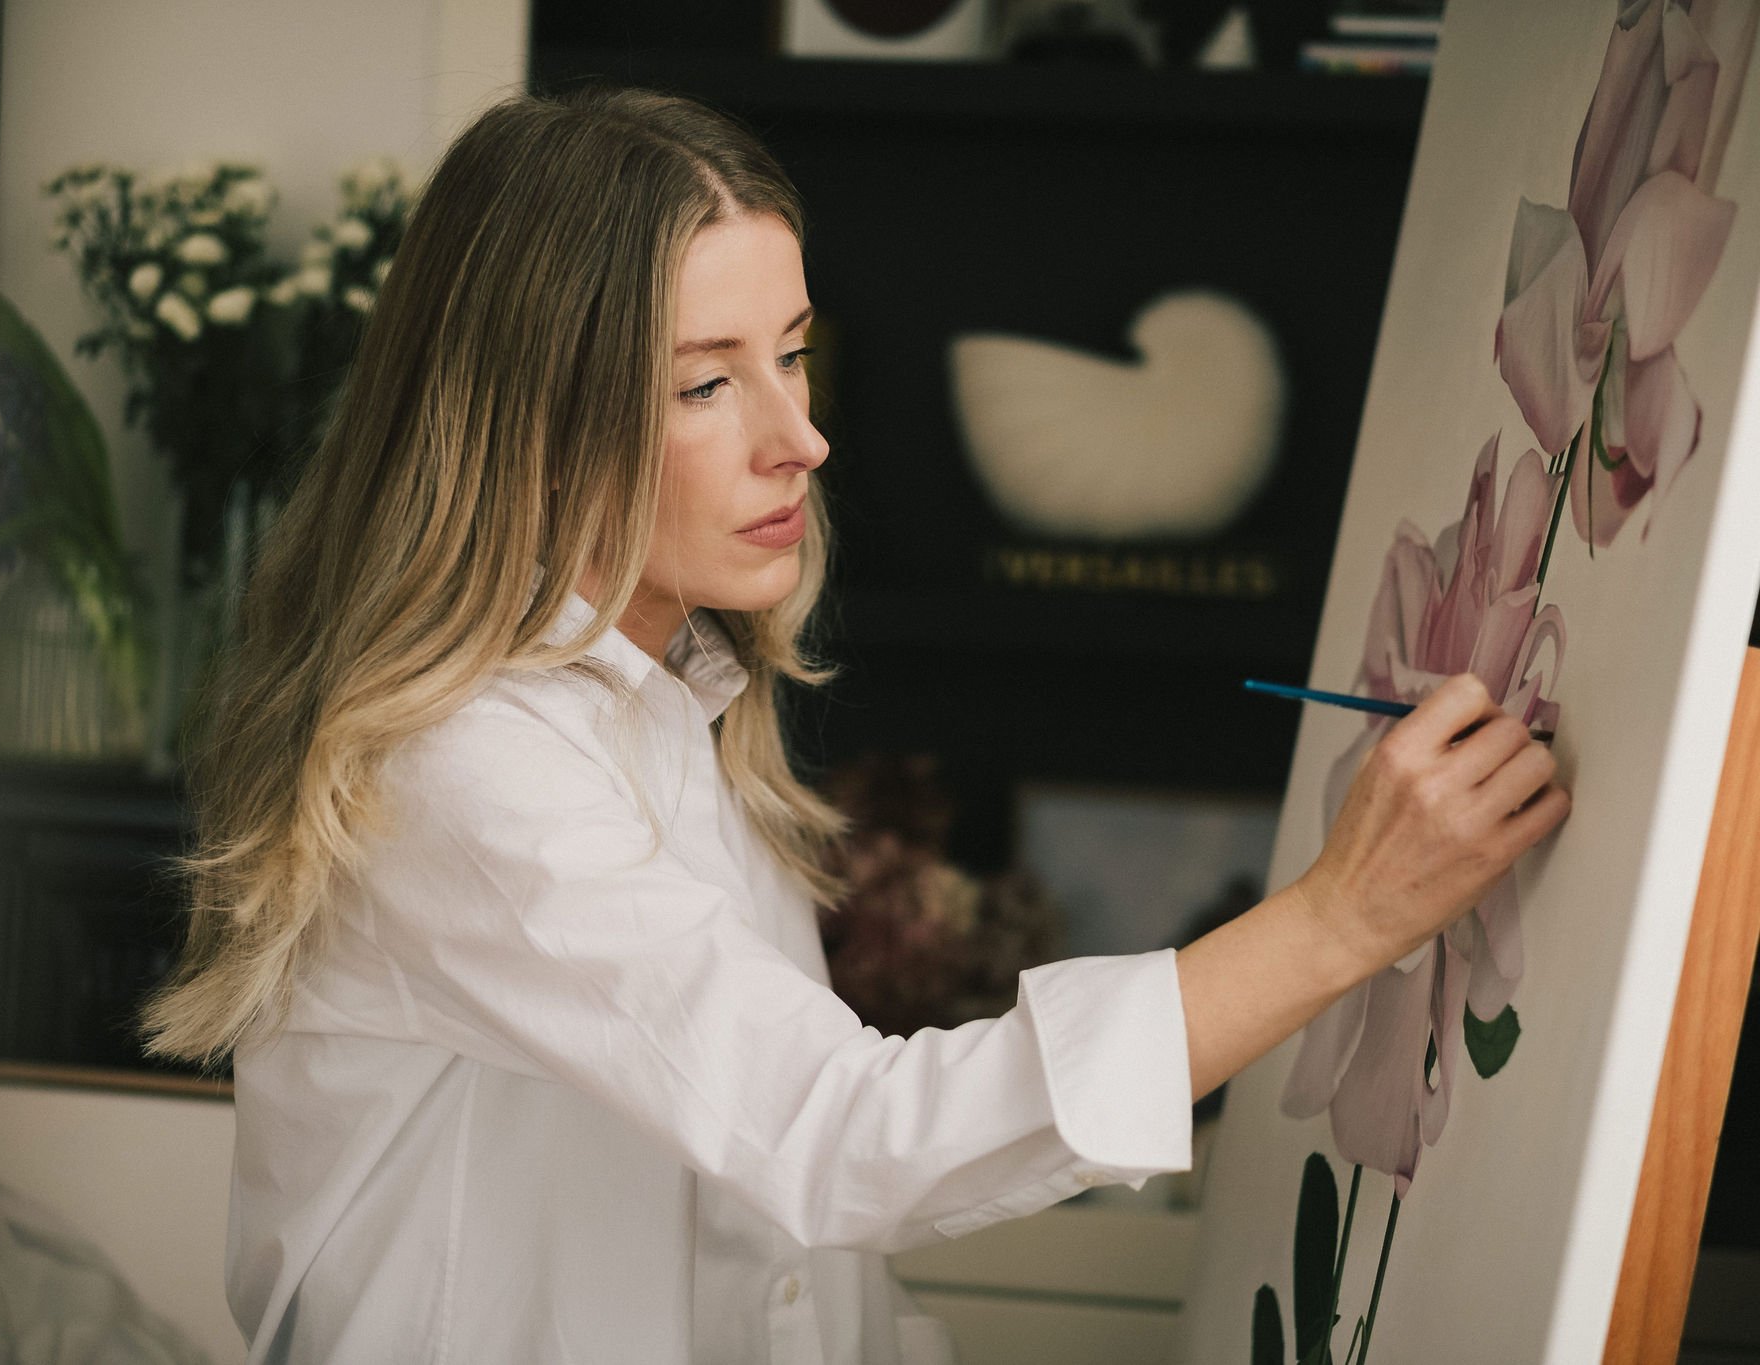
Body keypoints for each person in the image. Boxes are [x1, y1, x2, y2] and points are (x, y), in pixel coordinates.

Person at [138, 85, 1571, 1365]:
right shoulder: (467, 765)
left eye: (794, 353)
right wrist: (1336, 919)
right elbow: (840, 1139)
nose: (800, 437)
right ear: (530, 421)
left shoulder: (673, 705)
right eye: (706, 381)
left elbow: (782, 1252)